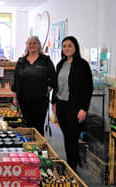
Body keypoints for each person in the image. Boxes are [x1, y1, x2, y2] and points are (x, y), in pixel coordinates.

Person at [51, 36, 93, 171]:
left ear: (75, 47)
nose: (67, 48)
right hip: (61, 105)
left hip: (75, 107)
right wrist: (54, 102)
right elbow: (56, 85)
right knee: (67, 136)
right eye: (64, 46)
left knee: (72, 137)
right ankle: (71, 162)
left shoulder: (82, 65)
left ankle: (72, 167)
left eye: (69, 45)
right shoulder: (60, 64)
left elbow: (88, 88)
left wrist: (84, 109)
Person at [11, 36, 56, 136]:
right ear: (27, 46)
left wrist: (48, 88)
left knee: (38, 125)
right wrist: (15, 98)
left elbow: (53, 77)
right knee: (26, 124)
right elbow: (16, 80)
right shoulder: (21, 61)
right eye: (30, 43)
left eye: (35, 43)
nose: (32, 45)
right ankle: (28, 146)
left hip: (40, 100)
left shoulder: (45, 60)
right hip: (23, 99)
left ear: (39, 45)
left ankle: (39, 147)